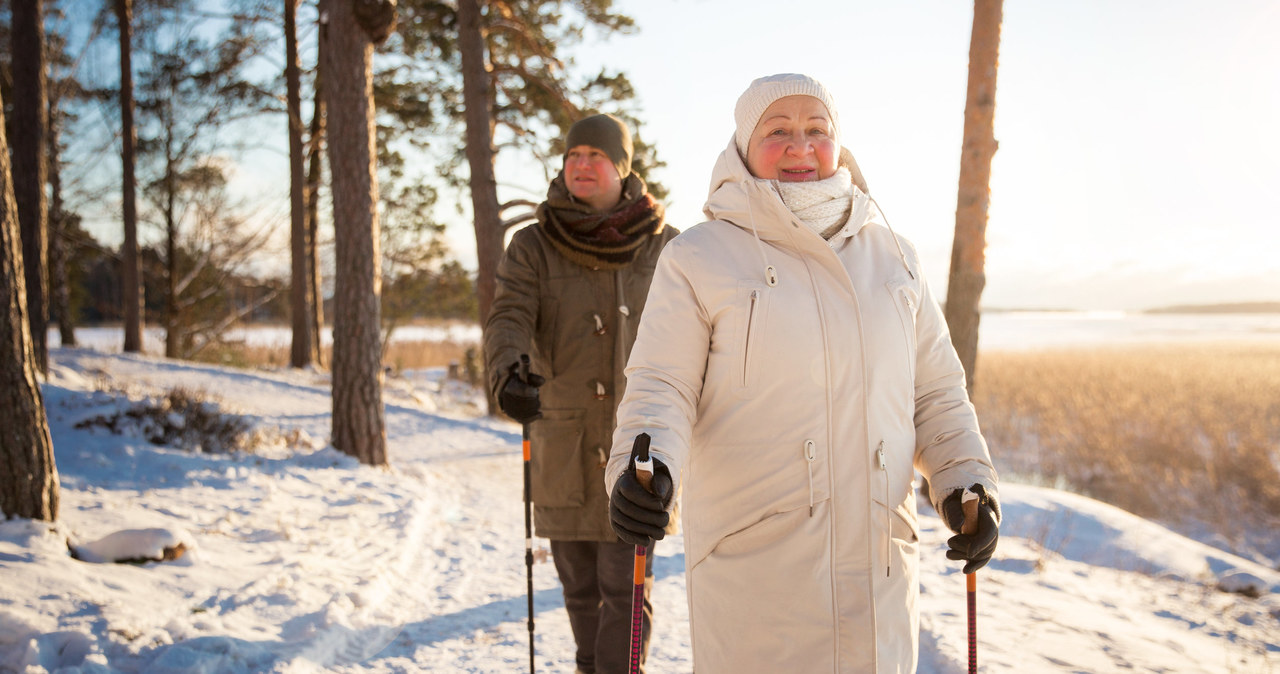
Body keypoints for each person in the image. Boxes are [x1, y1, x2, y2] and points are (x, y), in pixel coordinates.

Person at [604, 74, 1000, 673]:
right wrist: (647, 464)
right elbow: (664, 385)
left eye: (817, 130)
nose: (800, 146)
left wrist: (967, 482)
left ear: (838, 144)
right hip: (758, 570)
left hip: (878, 573)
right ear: (743, 145)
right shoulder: (700, 256)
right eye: (778, 131)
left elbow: (937, 393)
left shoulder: (895, 256)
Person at [484, 113, 679, 674]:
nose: (581, 165)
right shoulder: (533, 246)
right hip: (562, 441)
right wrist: (509, 372)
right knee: (579, 588)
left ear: (622, 168)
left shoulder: (668, 246)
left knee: (626, 589)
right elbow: (509, 316)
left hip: (639, 446)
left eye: (595, 155)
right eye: (572, 156)